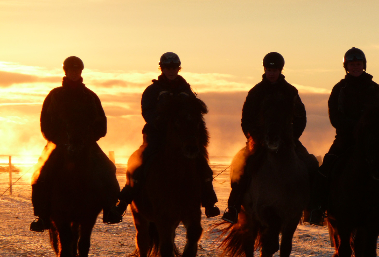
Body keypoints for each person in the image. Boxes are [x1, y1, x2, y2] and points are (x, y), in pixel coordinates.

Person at [110, 52, 220, 220]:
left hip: (181, 138)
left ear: (178, 69)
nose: (171, 71)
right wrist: (161, 122)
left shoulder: (186, 90)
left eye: (174, 68)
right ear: (161, 69)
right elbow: (147, 112)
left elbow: (195, 111)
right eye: (168, 68)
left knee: (202, 163)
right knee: (140, 161)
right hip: (156, 136)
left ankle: (209, 202)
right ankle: (124, 202)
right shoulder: (152, 90)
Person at [309, 47, 379, 227]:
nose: (355, 67)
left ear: (364, 65)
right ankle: (317, 208)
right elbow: (335, 117)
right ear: (346, 67)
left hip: (373, 142)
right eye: (352, 64)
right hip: (346, 139)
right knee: (325, 169)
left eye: (358, 64)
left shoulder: (375, 89)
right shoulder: (339, 89)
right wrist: (356, 127)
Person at [222, 52, 317, 224]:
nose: (271, 73)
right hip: (260, 141)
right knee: (242, 166)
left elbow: (300, 118)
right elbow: (246, 120)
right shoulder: (256, 93)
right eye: (269, 70)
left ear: (280, 70)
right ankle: (234, 207)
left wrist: (291, 138)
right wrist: (257, 139)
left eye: (274, 70)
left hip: (287, 141)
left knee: (310, 163)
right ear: (264, 70)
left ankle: (313, 207)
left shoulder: (290, 92)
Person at [30, 56, 119, 232]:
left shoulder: (90, 97)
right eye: (71, 70)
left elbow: (101, 124)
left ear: (81, 72)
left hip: (86, 144)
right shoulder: (55, 96)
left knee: (108, 168)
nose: (74, 73)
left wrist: (88, 138)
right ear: (65, 71)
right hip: (59, 144)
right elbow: (45, 123)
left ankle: (110, 209)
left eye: (77, 70)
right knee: (41, 174)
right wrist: (58, 139)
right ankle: (42, 215)